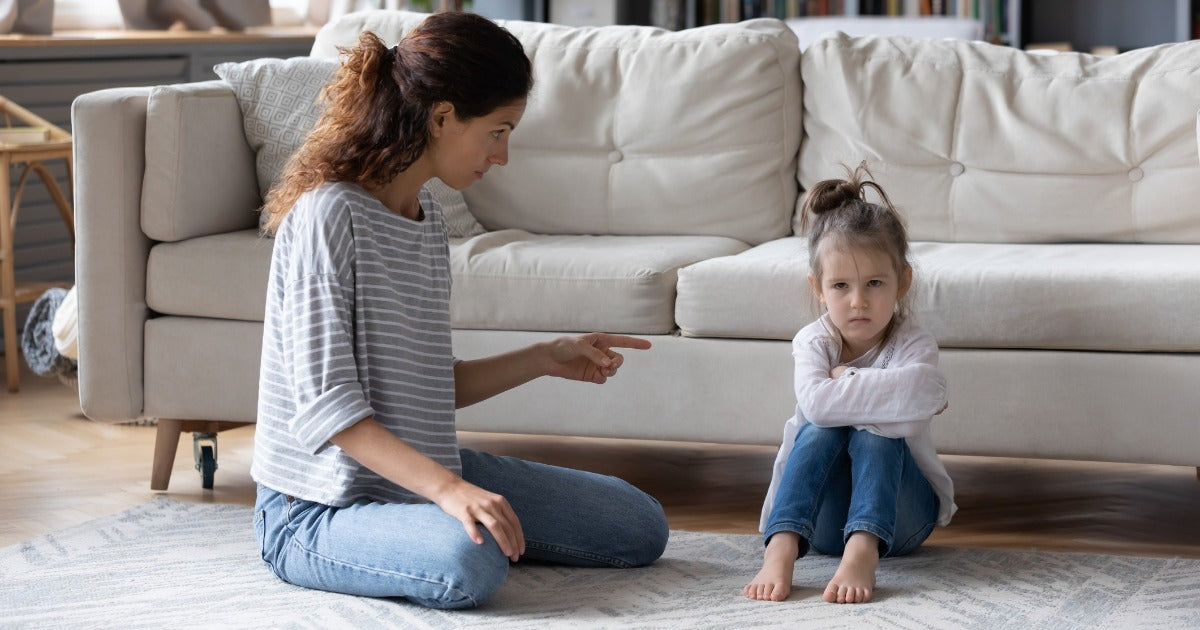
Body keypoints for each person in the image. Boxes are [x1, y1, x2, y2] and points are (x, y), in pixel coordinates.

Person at [252, 12, 668, 610]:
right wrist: (449, 490)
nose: (503, 156)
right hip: (314, 509)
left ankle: (432, 517)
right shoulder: (328, 216)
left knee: (637, 524)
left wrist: (545, 357)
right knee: (470, 558)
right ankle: (428, 524)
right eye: (497, 131)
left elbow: (429, 387)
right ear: (442, 117)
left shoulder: (426, 223)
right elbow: (328, 410)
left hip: (410, 479)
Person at [743, 163, 955, 604]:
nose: (858, 301)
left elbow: (928, 395)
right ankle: (782, 545)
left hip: (901, 522)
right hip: (820, 525)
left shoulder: (914, 343)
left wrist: (846, 378)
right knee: (819, 428)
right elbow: (818, 407)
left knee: (878, 433)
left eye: (874, 283)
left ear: (903, 282)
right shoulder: (813, 341)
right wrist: (889, 395)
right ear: (818, 288)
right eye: (841, 285)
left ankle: (863, 550)